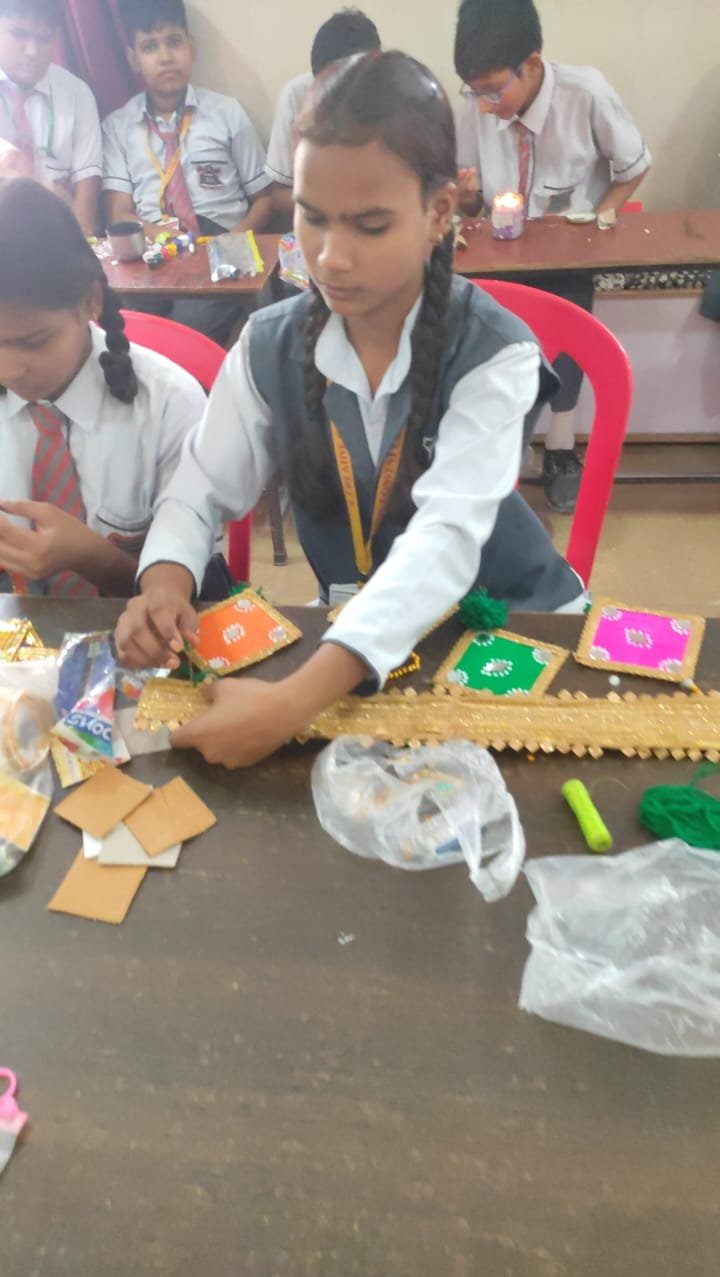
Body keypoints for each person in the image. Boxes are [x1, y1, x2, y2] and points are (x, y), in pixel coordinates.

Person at [115, 51, 585, 770]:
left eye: (369, 226)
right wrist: (165, 582)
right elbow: (199, 488)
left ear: (439, 212)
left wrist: (291, 704)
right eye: (312, 218)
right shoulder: (269, 344)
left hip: (509, 627)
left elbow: (446, 540)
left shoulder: (495, 354)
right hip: (354, 646)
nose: (330, 258)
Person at [454, 0, 651, 512]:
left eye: (494, 90)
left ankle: (561, 450)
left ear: (532, 65)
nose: (484, 105)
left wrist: (600, 221)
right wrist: (467, 197)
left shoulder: (585, 94)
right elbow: (470, 204)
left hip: (569, 251)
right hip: (502, 250)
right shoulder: (478, 107)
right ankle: (507, 447)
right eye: (475, 92)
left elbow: (634, 165)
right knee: (492, 344)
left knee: (567, 334)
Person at [0, 178, 206, 598]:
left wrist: (93, 558)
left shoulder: (169, 405)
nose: (8, 370)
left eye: (34, 342)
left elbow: (192, 594)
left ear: (91, 301)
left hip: (136, 629)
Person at [103, 0, 273, 344]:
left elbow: (265, 199)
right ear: (133, 59)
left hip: (220, 238)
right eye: (150, 47)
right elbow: (119, 212)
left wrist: (230, 242)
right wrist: (171, 244)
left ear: (191, 48)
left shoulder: (226, 113)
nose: (165, 57)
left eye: (174, 41)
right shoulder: (118, 126)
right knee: (127, 327)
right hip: (153, 245)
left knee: (187, 330)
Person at [266, 8, 381, 226]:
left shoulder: (395, 101)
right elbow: (279, 194)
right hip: (317, 224)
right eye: (326, 85)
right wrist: (330, 210)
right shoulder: (296, 97)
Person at [0, 0, 102, 235]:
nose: (32, 51)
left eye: (44, 39)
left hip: (61, 238)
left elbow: (85, 204)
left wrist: (78, 252)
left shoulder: (76, 94)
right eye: (19, 34)